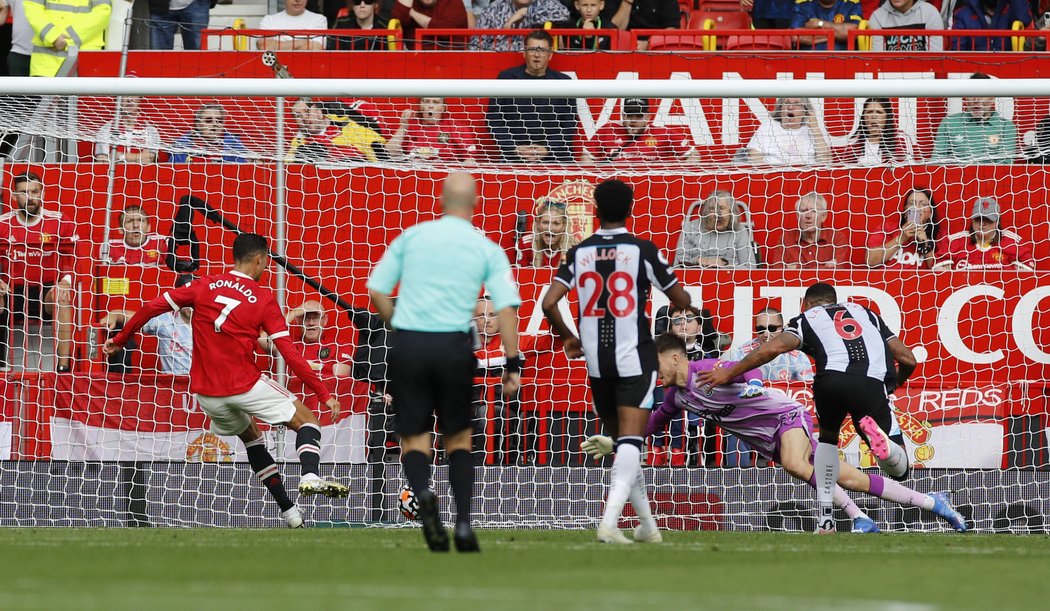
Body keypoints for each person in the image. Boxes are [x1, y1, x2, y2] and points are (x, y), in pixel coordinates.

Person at [581, 333, 968, 534]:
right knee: (846, 476)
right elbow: (650, 426)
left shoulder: (709, 369)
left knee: (794, 463)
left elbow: (744, 367)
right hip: (769, 437)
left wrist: (750, 384)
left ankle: (856, 515)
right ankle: (932, 502)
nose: (655, 372)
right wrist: (616, 441)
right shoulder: (675, 398)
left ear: (677, 357)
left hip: (786, 417)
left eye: (657, 363)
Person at [104, 233, 349, 529]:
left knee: (253, 439)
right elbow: (292, 356)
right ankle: (310, 475)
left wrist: (119, 339)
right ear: (259, 260)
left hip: (207, 395)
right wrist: (324, 393)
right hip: (244, 384)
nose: (266, 268)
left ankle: (290, 513)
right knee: (308, 421)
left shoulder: (203, 285)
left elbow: (150, 307)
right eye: (266, 263)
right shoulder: (262, 298)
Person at [697, 283, 949, 534]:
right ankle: (884, 447)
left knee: (827, 444)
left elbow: (772, 349)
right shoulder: (866, 313)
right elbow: (908, 359)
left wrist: (731, 372)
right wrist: (893, 384)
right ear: (835, 300)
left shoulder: (806, 318)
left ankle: (826, 519)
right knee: (900, 470)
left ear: (805, 304)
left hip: (829, 384)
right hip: (870, 385)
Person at [367, 172, 522, 552]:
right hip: (454, 346)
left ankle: (423, 494)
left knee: (415, 437)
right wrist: (512, 363)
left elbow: (376, 288)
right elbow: (505, 307)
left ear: (440, 201)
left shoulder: (414, 236)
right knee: (458, 440)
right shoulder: (484, 246)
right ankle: (465, 525)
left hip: (412, 345)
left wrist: (398, 326)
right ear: (476, 204)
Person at [541, 178, 692, 544]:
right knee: (631, 442)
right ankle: (608, 523)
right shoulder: (642, 249)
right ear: (630, 209)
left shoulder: (578, 253)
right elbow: (681, 298)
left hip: (597, 362)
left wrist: (567, 336)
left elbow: (548, 302)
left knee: (625, 443)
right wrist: (675, 296)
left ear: (595, 209)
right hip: (634, 357)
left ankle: (648, 527)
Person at [0, 172, 78, 372]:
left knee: (62, 297)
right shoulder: (2, 224)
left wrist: (65, 281)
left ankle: (63, 370)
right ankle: (1, 366)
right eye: (24, 192)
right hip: (11, 291)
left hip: (46, 291)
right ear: (14, 195)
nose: (30, 197)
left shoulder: (60, 221)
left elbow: (73, 258)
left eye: (34, 191)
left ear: (42, 193)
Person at [487, 30, 576, 164]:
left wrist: (547, 148)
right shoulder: (506, 78)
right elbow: (494, 120)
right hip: (514, 155)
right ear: (524, 52)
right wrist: (515, 147)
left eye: (542, 50)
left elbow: (570, 124)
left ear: (550, 54)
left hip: (554, 156)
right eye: (532, 49)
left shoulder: (564, 82)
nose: (537, 54)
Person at [101, 275, 195, 376]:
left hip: (201, 385)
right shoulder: (166, 320)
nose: (188, 303)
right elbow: (135, 318)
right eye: (184, 297)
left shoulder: (211, 321)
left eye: (191, 297)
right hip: (172, 384)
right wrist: (115, 314)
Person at [932, 73, 1018, 165]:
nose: (976, 99)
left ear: (993, 98)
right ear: (965, 98)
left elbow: (1004, 166)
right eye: (972, 94)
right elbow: (936, 162)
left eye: (981, 94)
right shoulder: (949, 123)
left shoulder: (1006, 127)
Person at [580, 98, 697, 165]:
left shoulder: (663, 133)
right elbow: (587, 156)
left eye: (639, 116)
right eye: (630, 116)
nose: (633, 121)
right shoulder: (608, 130)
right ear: (622, 115)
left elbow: (694, 155)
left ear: (648, 117)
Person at [933, 197, 1035, 271]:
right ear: (972, 221)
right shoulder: (955, 241)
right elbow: (938, 270)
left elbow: (1027, 273)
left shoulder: (1012, 242)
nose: (982, 224)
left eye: (988, 220)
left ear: (997, 222)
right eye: (978, 220)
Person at [23, 0, 109, 77]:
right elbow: (33, 9)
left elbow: (103, 12)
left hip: (83, 65)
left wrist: (64, 38)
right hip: (46, 65)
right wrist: (54, 37)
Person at [726, 308, 814, 383]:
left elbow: (807, 386)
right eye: (760, 329)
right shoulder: (741, 353)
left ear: (782, 328)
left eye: (772, 328)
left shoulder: (797, 356)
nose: (765, 334)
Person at [288, 98, 388, 163]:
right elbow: (288, 164)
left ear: (319, 112)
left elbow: (380, 151)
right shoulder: (299, 142)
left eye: (307, 111)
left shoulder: (348, 126)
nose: (304, 117)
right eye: (298, 116)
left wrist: (331, 150)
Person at [675, 190, 757, 269]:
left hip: (730, 280)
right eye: (712, 208)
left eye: (721, 208)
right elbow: (678, 266)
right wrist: (697, 260)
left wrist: (724, 267)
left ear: (731, 212)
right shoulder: (690, 228)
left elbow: (750, 267)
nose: (717, 214)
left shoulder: (740, 231)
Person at [767, 192, 851, 268]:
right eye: (804, 211)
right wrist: (824, 267)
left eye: (814, 211)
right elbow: (777, 271)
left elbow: (837, 271)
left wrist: (797, 268)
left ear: (824, 216)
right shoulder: (785, 239)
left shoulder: (836, 238)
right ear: (797, 216)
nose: (808, 216)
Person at [385, 97, 480, 163]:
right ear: (420, 107)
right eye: (426, 101)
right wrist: (403, 127)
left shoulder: (455, 127)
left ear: (443, 108)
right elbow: (390, 153)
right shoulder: (412, 126)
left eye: (435, 102)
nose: (431, 106)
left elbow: (470, 160)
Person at [743, 98, 833, 166]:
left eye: (797, 104)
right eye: (786, 103)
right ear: (780, 109)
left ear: (804, 111)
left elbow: (826, 161)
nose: (790, 107)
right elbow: (754, 156)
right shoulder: (766, 128)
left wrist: (815, 128)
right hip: (774, 179)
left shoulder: (813, 131)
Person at [865, 187, 940, 269]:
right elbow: (870, 261)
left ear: (931, 213)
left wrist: (925, 245)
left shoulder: (940, 236)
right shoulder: (887, 229)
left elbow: (941, 272)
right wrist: (901, 239)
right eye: (912, 203)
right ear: (905, 212)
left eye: (923, 204)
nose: (917, 208)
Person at [836, 98, 916, 166]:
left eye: (879, 112)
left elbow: (909, 169)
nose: (873, 116)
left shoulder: (901, 139)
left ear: (887, 116)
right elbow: (846, 171)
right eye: (869, 112)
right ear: (864, 116)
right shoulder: (853, 142)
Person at [169, 104, 251, 163]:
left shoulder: (234, 145)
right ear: (198, 124)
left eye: (219, 121)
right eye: (208, 120)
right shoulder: (181, 147)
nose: (215, 124)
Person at [474, 0, 570, 51]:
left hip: (535, 65)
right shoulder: (495, 8)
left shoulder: (546, 3)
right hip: (499, 63)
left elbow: (564, 14)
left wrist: (525, 12)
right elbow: (476, 44)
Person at [94, 95, 161, 164]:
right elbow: (102, 161)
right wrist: (138, 157)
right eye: (125, 95)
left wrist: (119, 156)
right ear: (118, 99)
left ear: (140, 98)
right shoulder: (106, 129)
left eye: (133, 94)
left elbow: (149, 159)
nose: (129, 99)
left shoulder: (150, 130)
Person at [951, 0, 1031, 51]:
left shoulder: (1011, 9)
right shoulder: (964, 13)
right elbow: (957, 53)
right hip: (975, 73)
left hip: (1006, 70)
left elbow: (1024, 19)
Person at [866, 0, 944, 51]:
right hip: (889, 73)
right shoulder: (877, 17)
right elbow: (878, 59)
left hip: (924, 73)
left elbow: (935, 57)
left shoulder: (930, 13)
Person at [520, 198, 576, 267]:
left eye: (556, 223)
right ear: (538, 223)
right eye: (545, 222)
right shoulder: (527, 244)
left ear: (564, 226)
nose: (550, 229)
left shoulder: (574, 248)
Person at [390, 0, 469, 49]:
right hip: (416, 60)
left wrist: (413, 13)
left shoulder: (453, 2)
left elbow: (446, 30)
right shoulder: (412, 3)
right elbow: (398, 19)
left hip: (451, 60)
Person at [791, 0, 863, 50]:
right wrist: (837, 33)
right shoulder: (803, 4)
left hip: (842, 61)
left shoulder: (851, 3)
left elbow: (853, 33)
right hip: (809, 60)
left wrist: (819, 23)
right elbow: (795, 36)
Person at [257, 0, 328, 50]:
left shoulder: (319, 19)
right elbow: (264, 46)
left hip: (306, 68)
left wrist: (277, 45)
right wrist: (304, 42)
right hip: (276, 69)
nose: (298, 0)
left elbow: (316, 47)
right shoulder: (268, 20)